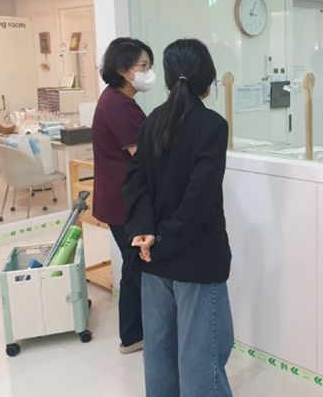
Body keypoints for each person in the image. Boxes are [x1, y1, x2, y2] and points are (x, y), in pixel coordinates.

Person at [123, 39, 233, 397]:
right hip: (195, 260)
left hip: (153, 258)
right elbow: (198, 200)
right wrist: (161, 239)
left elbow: (135, 181)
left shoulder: (152, 121)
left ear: (168, 78)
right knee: (201, 363)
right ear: (209, 79)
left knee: (160, 356)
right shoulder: (212, 125)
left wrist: (146, 234)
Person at [92, 37, 155, 354]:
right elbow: (141, 156)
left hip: (118, 198)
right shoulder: (118, 106)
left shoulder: (117, 100)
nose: (148, 73)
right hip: (123, 202)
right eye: (143, 66)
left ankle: (133, 333)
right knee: (135, 266)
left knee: (133, 266)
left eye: (149, 66)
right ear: (122, 69)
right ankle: (132, 336)